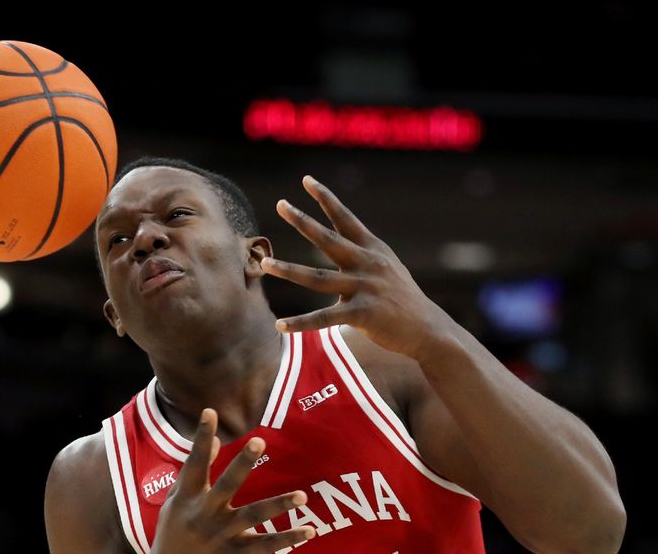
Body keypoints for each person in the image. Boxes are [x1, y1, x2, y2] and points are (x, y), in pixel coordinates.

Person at [44, 155, 626, 553]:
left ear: (255, 256)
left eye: (177, 215)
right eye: (117, 239)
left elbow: (591, 535)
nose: (145, 239)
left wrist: (438, 336)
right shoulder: (91, 477)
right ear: (114, 316)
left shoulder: (385, 364)